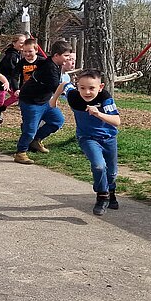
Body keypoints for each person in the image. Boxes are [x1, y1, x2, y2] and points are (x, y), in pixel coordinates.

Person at [52, 69, 120, 215]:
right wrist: (54, 99)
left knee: (112, 173)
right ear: (77, 86)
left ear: (100, 87)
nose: (87, 92)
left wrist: (98, 113)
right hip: (87, 138)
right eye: (82, 88)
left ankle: (111, 190)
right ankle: (102, 196)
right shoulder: (74, 96)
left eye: (91, 88)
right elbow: (64, 84)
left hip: (109, 139)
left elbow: (117, 121)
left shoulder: (105, 98)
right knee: (99, 166)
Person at [13, 40, 72, 165]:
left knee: (57, 120)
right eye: (66, 56)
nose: (68, 58)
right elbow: (57, 87)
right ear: (56, 55)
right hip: (31, 101)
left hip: (44, 101)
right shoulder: (49, 68)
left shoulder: (54, 64)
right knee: (30, 129)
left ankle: (35, 141)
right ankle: (21, 152)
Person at [0, 34, 25, 127]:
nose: (23, 45)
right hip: (1, 81)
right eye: (21, 43)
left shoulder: (17, 54)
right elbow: (12, 70)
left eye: (24, 43)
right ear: (14, 43)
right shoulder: (11, 55)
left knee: (16, 96)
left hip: (9, 81)